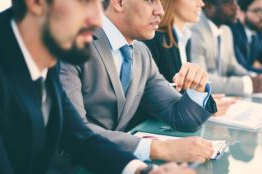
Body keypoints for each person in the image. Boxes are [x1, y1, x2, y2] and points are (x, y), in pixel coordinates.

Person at [0, 0, 194, 173]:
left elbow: (78, 137)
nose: (97, 19)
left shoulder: (47, 50)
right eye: (84, 2)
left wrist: (141, 171)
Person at [60, 0, 217, 164]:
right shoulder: (74, 43)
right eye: (150, 1)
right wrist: (159, 149)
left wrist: (197, 89)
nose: (161, 11)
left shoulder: (141, 53)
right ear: (119, 3)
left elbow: (180, 117)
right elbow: (75, 131)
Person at [143, 0, 234, 115]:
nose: (201, 3)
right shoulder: (154, 39)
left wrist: (203, 100)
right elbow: (155, 100)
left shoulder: (186, 38)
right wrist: (201, 107)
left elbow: (183, 92)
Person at [190, 0, 262, 96]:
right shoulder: (195, 30)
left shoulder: (226, 30)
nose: (236, 8)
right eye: (228, 3)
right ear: (208, 6)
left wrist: (253, 77)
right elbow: (200, 81)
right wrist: (247, 84)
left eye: (236, 2)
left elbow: (232, 66)